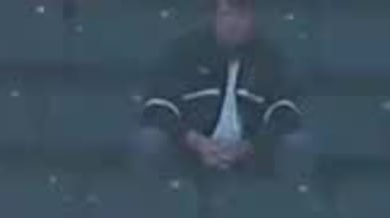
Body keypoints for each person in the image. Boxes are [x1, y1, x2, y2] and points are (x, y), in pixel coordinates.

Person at [133, 0, 312, 181]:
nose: (234, 22)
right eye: (227, 14)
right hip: (189, 151)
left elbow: (284, 114)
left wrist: (250, 147)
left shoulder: (271, 57)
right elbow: (159, 108)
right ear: (214, 17)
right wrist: (196, 142)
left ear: (254, 19)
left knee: (297, 144)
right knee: (151, 141)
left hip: (253, 155)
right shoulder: (182, 51)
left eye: (242, 15)